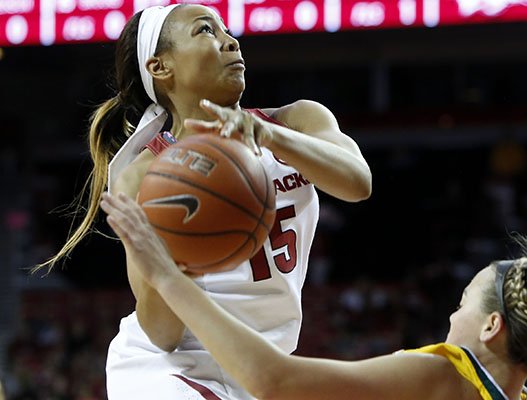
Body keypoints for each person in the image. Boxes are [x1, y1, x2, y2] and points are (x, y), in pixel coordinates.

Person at [35, 3, 371, 399]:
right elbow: (161, 333)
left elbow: (357, 182)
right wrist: (184, 244)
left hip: (262, 368)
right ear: (161, 67)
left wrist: (268, 136)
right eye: (205, 31)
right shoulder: (143, 177)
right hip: (172, 370)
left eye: (227, 30)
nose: (231, 42)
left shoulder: (297, 121)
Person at [100, 194, 527, 400]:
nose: (451, 311)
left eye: (464, 300)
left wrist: (166, 276)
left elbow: (275, 381)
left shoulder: (446, 373)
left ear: (491, 327)